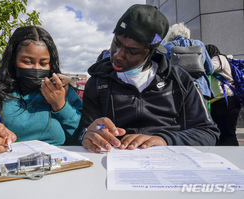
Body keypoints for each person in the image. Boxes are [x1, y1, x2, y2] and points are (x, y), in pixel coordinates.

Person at [77, 4, 220, 153]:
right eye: (116, 43)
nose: (118, 55)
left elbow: (208, 132)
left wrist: (165, 140)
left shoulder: (180, 80)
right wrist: (90, 133)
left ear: (151, 52)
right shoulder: (98, 83)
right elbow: (84, 130)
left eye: (132, 51)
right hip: (114, 165)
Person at [0, 26, 83, 155]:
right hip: (3, 162)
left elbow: (81, 132)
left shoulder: (62, 88)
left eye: (43, 63)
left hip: (58, 164)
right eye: (27, 62)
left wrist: (60, 106)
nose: (36, 68)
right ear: (13, 59)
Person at [162, 22, 215, 102]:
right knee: (201, 114)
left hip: (176, 89)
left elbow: (160, 69)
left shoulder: (167, 47)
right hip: (200, 89)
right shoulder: (199, 44)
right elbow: (210, 69)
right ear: (187, 34)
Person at [206, 44, 241, 146]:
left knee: (227, 134)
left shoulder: (218, 59)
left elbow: (208, 68)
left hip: (227, 101)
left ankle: (233, 157)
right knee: (222, 133)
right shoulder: (221, 58)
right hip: (222, 102)